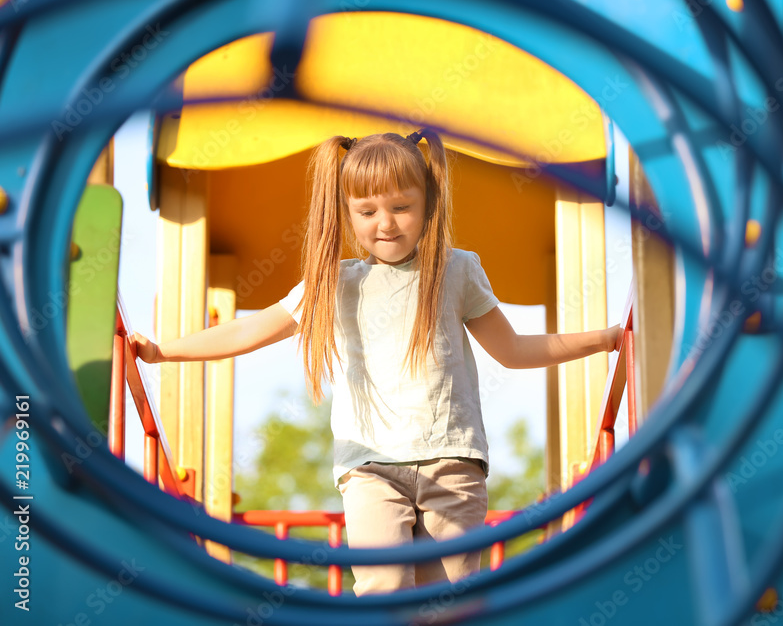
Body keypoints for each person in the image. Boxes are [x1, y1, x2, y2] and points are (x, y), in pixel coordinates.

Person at [130, 129, 622, 595]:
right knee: (382, 587)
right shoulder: (335, 282)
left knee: (444, 600)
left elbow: (514, 352)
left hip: (450, 461)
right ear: (346, 213)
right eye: (366, 211)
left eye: (401, 207)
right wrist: (164, 350)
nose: (385, 223)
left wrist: (602, 339)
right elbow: (251, 329)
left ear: (428, 203)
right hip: (370, 468)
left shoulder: (456, 269)